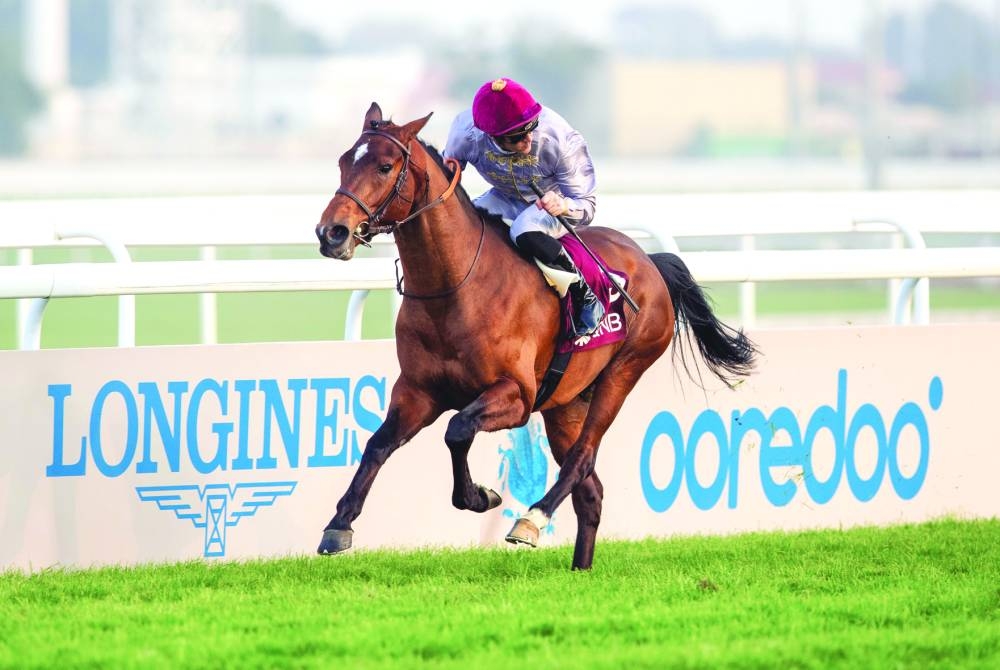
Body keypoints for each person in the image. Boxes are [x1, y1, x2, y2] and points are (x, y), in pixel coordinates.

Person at [443, 77, 605, 337]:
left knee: (523, 229)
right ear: (491, 136)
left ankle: (584, 295)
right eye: (518, 136)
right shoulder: (465, 133)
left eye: (532, 127)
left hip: (554, 200)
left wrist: (562, 204)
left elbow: (586, 205)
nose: (528, 139)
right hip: (505, 195)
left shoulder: (560, 138)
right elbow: (447, 177)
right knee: (465, 223)